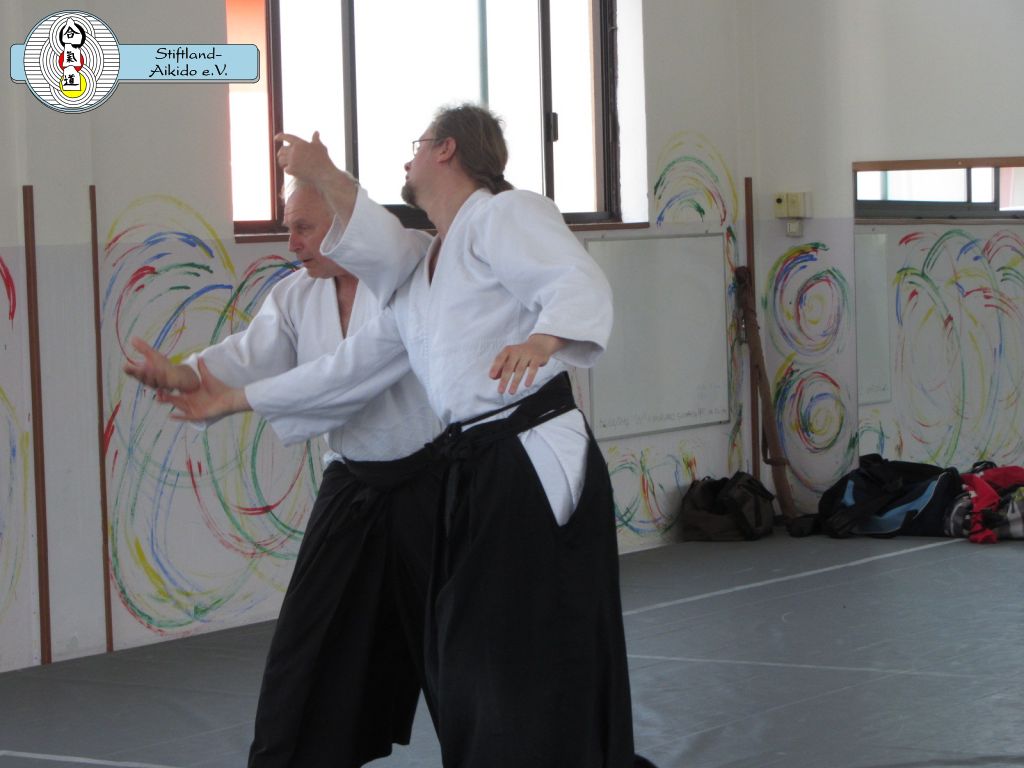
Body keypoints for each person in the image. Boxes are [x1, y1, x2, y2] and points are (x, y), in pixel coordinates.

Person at [161, 104, 651, 768]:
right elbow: (345, 369)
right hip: (474, 463)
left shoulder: (503, 213)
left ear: (446, 149)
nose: (408, 156)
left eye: (418, 144)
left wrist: (544, 338)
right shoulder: (421, 273)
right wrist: (234, 397)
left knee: (523, 648)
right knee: (467, 653)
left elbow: (575, 277)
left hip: (529, 451)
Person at [123, 180, 444, 768]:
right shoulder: (298, 295)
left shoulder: (411, 276)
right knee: (306, 644)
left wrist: (235, 400)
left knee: (456, 649)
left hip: (436, 484)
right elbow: (247, 354)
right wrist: (184, 375)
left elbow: (344, 379)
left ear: (347, 224)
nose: (290, 242)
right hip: (353, 484)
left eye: (304, 227)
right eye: (287, 227)